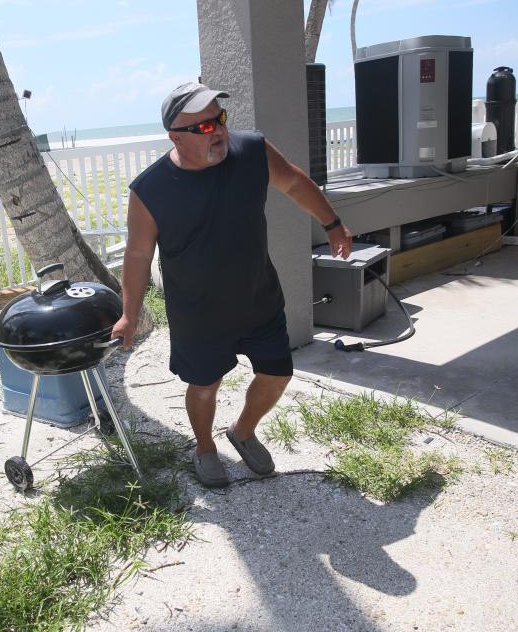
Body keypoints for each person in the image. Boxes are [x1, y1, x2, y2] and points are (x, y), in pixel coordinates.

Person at [111, 82, 352, 488]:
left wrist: (332, 223)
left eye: (219, 119)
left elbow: (293, 183)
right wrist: (128, 315)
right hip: (198, 311)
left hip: (258, 297)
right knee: (204, 386)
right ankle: (204, 448)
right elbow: (137, 257)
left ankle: (242, 432)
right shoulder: (151, 190)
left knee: (277, 374)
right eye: (203, 127)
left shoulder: (252, 151)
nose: (218, 130)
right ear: (175, 137)